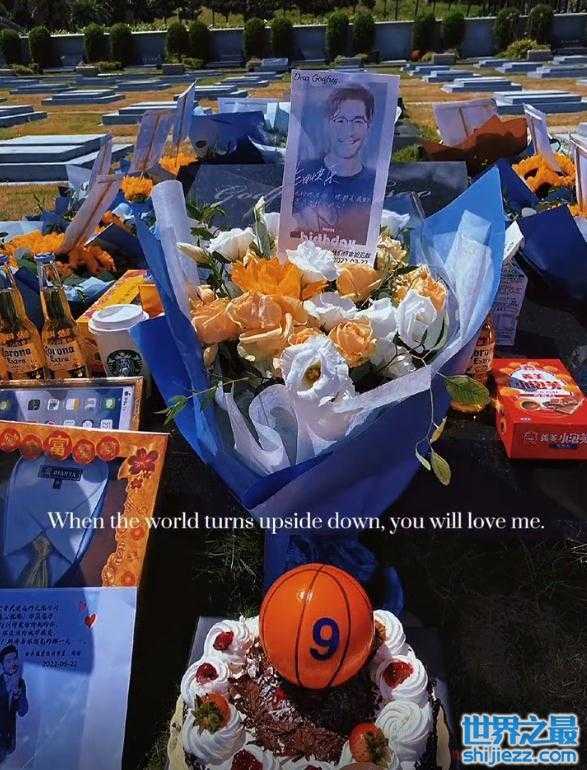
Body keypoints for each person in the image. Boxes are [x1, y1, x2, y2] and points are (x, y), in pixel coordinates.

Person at [292, 85, 377, 243]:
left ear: (369, 127)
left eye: (358, 121)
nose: (349, 131)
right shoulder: (300, 173)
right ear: (327, 124)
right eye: (340, 120)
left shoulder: (376, 183)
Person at [0, 645, 28, 761]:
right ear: (2, 664)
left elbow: (22, 712)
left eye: (15, 659)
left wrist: (19, 696)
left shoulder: (20, 683)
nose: (13, 663)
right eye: (8, 661)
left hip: (9, 740)